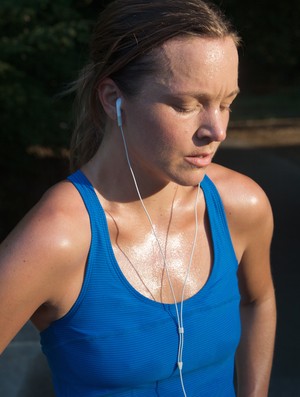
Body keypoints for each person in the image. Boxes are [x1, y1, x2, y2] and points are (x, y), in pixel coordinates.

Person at [0, 0, 276, 396]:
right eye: (186, 105)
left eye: (226, 103)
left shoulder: (240, 206)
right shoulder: (58, 238)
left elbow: (258, 300)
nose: (217, 130)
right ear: (114, 98)